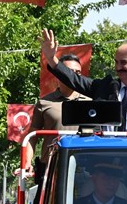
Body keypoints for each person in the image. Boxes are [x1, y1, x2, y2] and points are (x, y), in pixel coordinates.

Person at [41, 30, 127, 134]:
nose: (118, 67)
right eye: (116, 62)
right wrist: (52, 58)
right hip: (104, 155)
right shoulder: (105, 87)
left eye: (123, 62)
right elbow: (74, 79)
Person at [22, 53, 89, 185]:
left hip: (81, 168)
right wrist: (26, 162)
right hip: (50, 167)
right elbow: (32, 137)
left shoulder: (90, 102)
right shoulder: (44, 103)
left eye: (78, 73)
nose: (73, 76)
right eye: (69, 72)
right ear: (59, 74)